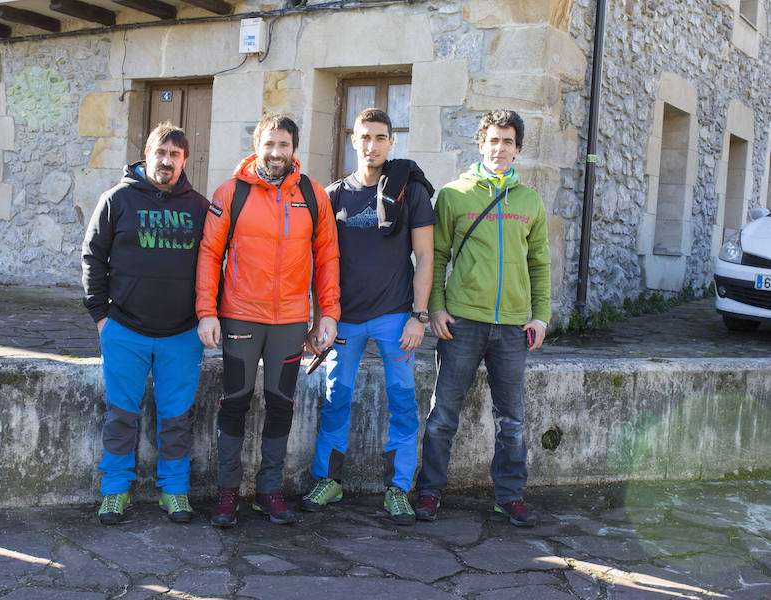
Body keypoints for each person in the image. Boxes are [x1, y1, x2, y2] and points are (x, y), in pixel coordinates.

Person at [196, 113, 341, 527]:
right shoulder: (232, 192)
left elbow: (328, 257)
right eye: (269, 144)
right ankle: (227, 494)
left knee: (281, 404)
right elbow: (209, 254)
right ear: (257, 144)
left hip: (292, 320)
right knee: (235, 401)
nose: (276, 153)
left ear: (294, 149)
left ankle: (268, 492)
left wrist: (328, 313)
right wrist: (207, 311)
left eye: (284, 146)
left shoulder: (313, 195)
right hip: (240, 314)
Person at [414, 109, 550, 527]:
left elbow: (540, 263)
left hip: (512, 327)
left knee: (512, 419)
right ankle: (430, 492)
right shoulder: (454, 195)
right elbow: (435, 256)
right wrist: (435, 307)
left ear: (518, 149)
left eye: (508, 141)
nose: (500, 148)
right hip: (462, 323)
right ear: (481, 144)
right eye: (493, 140)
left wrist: (540, 316)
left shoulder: (530, 201)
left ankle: (509, 496)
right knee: (443, 416)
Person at [301, 108, 435, 525]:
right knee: (335, 398)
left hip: (396, 317)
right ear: (353, 140)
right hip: (344, 320)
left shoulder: (409, 192)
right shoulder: (334, 195)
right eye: (365, 137)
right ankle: (328, 480)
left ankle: (398, 488)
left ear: (392, 142)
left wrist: (420, 315)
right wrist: (319, 316)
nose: (372, 145)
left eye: (380, 138)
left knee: (402, 399)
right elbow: (318, 262)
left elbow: (426, 255)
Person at [82, 122, 209, 525]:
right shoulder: (116, 199)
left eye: (175, 154)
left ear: (184, 160)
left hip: (182, 334)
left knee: (177, 418)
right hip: (125, 330)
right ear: (147, 154)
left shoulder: (200, 208)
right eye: (161, 152)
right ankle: (114, 491)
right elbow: (92, 258)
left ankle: (175, 491)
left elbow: (217, 266)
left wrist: (207, 317)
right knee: (121, 414)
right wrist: (102, 317)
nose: (167, 161)